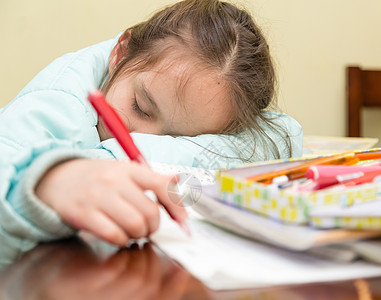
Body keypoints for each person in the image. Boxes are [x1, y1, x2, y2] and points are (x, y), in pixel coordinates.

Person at [0, 0, 303, 256]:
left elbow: (285, 135)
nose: (139, 137)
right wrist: (47, 182)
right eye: (141, 107)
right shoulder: (57, 103)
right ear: (121, 53)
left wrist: (140, 154)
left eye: (182, 139)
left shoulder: (163, 92)